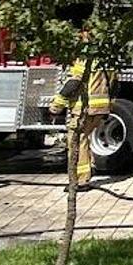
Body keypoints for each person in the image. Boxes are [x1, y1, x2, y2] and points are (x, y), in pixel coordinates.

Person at [49, 55, 113, 185]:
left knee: (76, 141)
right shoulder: (104, 60)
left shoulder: (83, 59)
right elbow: (113, 83)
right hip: (100, 107)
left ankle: (80, 180)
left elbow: (74, 83)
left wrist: (56, 106)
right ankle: (89, 168)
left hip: (85, 108)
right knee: (85, 138)